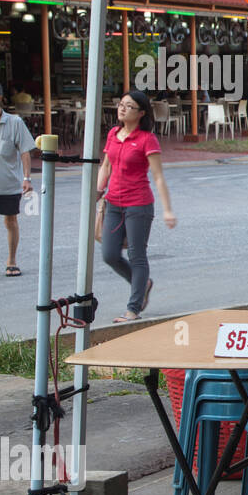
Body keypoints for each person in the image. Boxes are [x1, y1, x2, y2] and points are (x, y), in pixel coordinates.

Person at [97, 89, 178, 322]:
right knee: (109, 255)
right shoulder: (114, 133)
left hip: (138, 206)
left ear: (141, 113)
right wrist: (98, 190)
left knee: (137, 255)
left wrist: (168, 209)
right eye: (121, 104)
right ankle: (143, 284)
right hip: (113, 204)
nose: (122, 108)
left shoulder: (146, 139)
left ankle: (133, 308)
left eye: (129, 106)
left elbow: (158, 176)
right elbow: (106, 166)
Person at [0, 78, 35, 280]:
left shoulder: (14, 122)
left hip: (9, 184)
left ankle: (11, 261)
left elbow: (24, 151)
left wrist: (27, 178)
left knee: (10, 221)